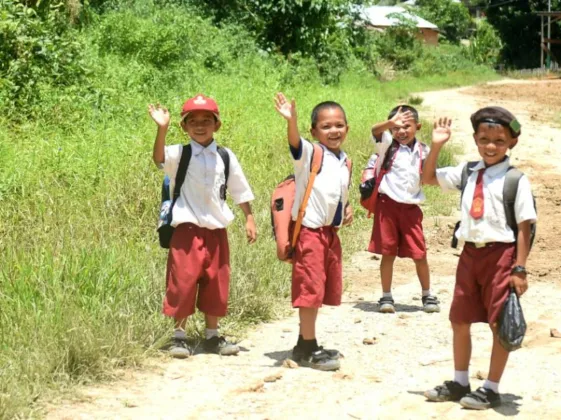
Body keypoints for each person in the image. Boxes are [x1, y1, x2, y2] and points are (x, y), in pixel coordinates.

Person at [422, 107, 536, 410]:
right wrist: (437, 145)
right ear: (475, 138)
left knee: (500, 324)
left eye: (499, 140)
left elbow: (525, 227)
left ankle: (491, 387)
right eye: (484, 138)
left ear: (512, 142)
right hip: (469, 255)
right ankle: (460, 382)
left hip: (501, 257)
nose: (490, 145)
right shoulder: (467, 171)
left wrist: (520, 268)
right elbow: (429, 177)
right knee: (459, 319)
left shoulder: (515, 180)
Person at [148, 94, 257, 358]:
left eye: (206, 120)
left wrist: (249, 218)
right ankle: (179, 337)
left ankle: (212, 336)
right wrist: (161, 128)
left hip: (216, 231)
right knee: (182, 282)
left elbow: (239, 189)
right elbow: (158, 158)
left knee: (216, 282)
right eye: (192, 121)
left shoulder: (225, 156)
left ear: (217, 125)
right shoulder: (179, 153)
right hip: (186, 230)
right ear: (184, 126)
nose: (200, 125)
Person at [274, 92, 352, 371]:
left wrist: (345, 210)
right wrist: (290, 120)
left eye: (339, 125)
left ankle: (303, 342)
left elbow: (336, 193)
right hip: (309, 233)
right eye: (326, 126)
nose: (334, 131)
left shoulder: (345, 160)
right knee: (309, 289)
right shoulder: (310, 154)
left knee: (318, 289)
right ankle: (308, 348)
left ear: (347, 127)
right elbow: (295, 143)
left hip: (329, 234)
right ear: (314, 131)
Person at [369, 105, 440, 314]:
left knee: (420, 254)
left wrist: (437, 146)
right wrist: (390, 123)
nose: (401, 131)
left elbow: (430, 174)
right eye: (396, 127)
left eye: (406, 126)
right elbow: (375, 130)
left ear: (417, 126)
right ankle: (386, 296)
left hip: (411, 209)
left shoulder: (423, 150)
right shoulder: (387, 145)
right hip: (387, 207)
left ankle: (427, 294)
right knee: (387, 253)